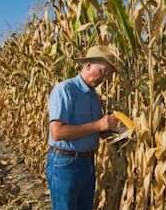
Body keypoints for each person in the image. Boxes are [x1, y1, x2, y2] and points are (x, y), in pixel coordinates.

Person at [45, 45, 120, 210]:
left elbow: (92, 130)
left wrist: (113, 130)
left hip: (87, 163)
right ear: (87, 65)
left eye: (107, 74)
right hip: (65, 164)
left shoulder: (93, 96)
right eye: (102, 71)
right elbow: (57, 132)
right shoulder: (65, 90)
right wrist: (98, 124)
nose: (104, 78)